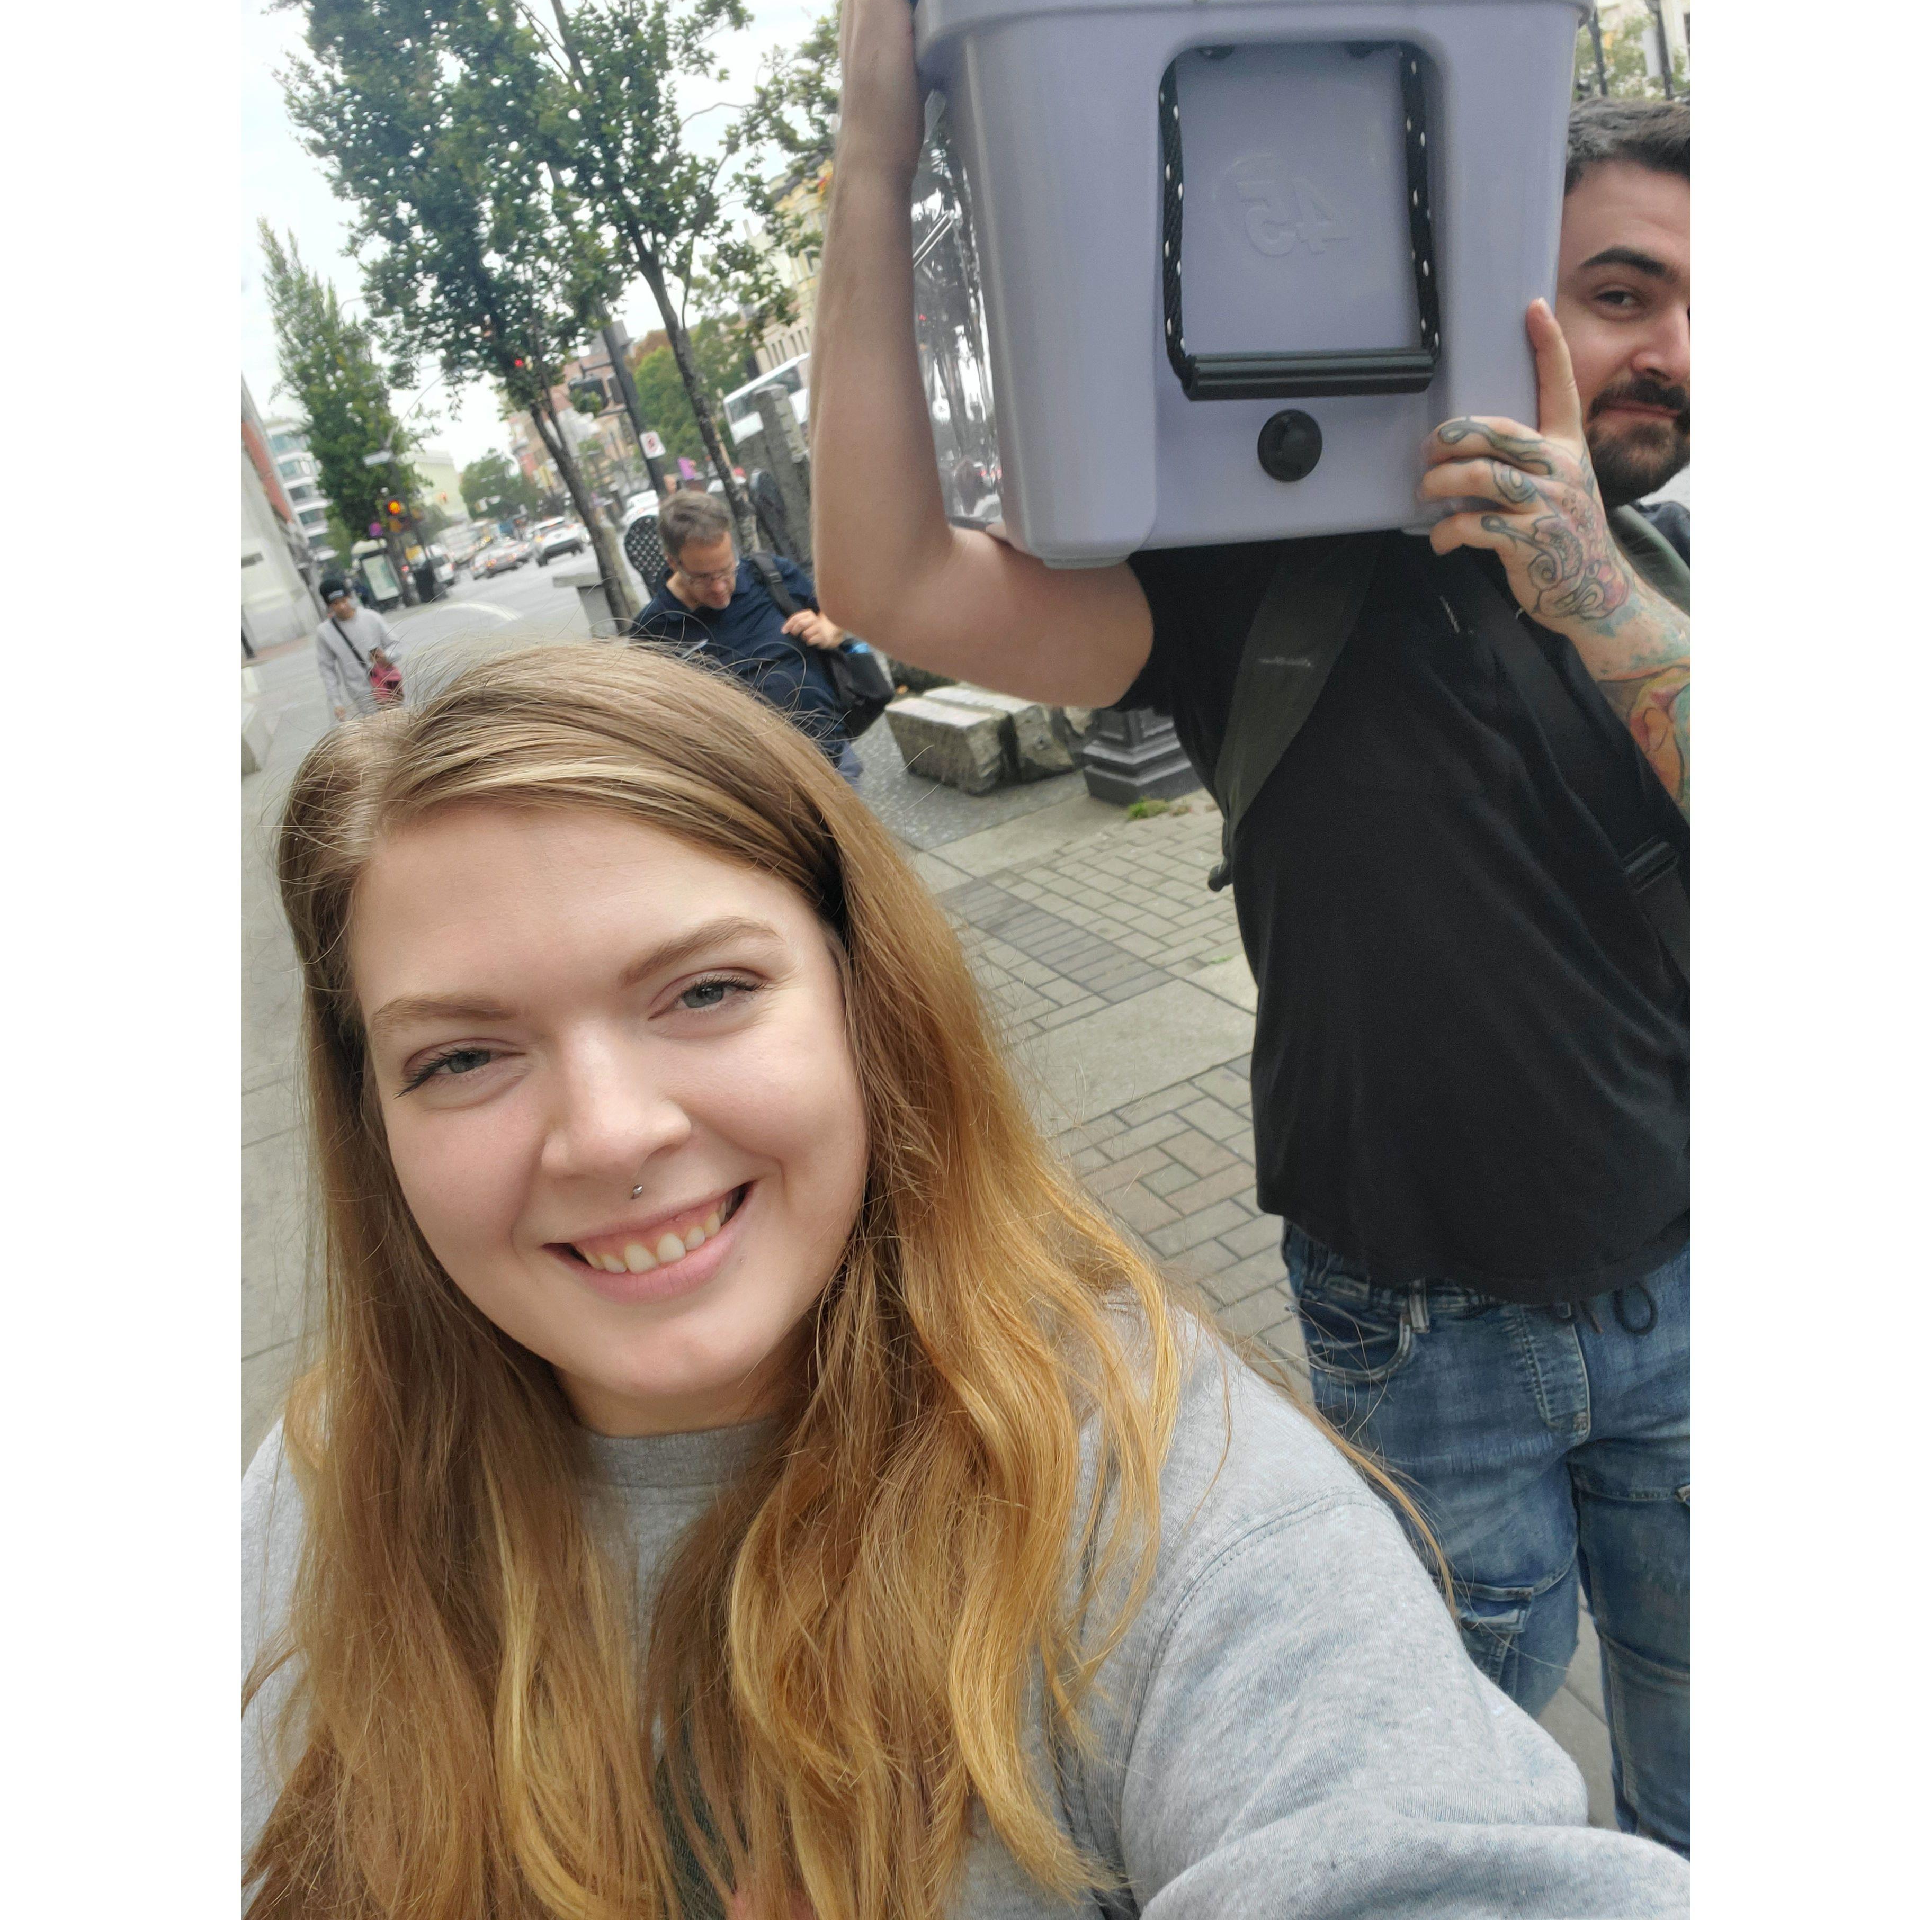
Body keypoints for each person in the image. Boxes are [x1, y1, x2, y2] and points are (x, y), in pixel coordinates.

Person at [243, 642, 1688, 1917]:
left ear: (868, 1006)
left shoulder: (1149, 1500)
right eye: (464, 1057)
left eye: (706, 991)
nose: (612, 1132)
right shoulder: (308, 1504)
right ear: (373, 1123)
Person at [812, 0, 1690, 1856]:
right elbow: (885, 574)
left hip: (1694, 1293)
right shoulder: (1265, 571)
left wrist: (1588, 589)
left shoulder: (1677, 577)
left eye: (1695, 310)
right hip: (1422, 1326)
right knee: (1424, 1797)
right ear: (1467, 260)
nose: (1664, 350)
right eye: (1614, 293)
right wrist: (872, 167)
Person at [629, 489, 866, 786]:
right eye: (702, 577)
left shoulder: (769, 574)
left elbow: (836, 613)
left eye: (727, 569)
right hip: (751, 790)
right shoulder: (653, 630)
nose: (719, 587)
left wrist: (829, 628)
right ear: (674, 563)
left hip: (829, 758)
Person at [314, 573, 400, 723]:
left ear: (350, 597)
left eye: (343, 601)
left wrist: (387, 657)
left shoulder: (371, 618)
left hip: (388, 685)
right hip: (361, 694)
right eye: (335, 604)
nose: (342, 607)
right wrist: (336, 702)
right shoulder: (325, 632)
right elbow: (327, 669)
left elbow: (395, 644)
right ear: (328, 606)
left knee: (400, 724)